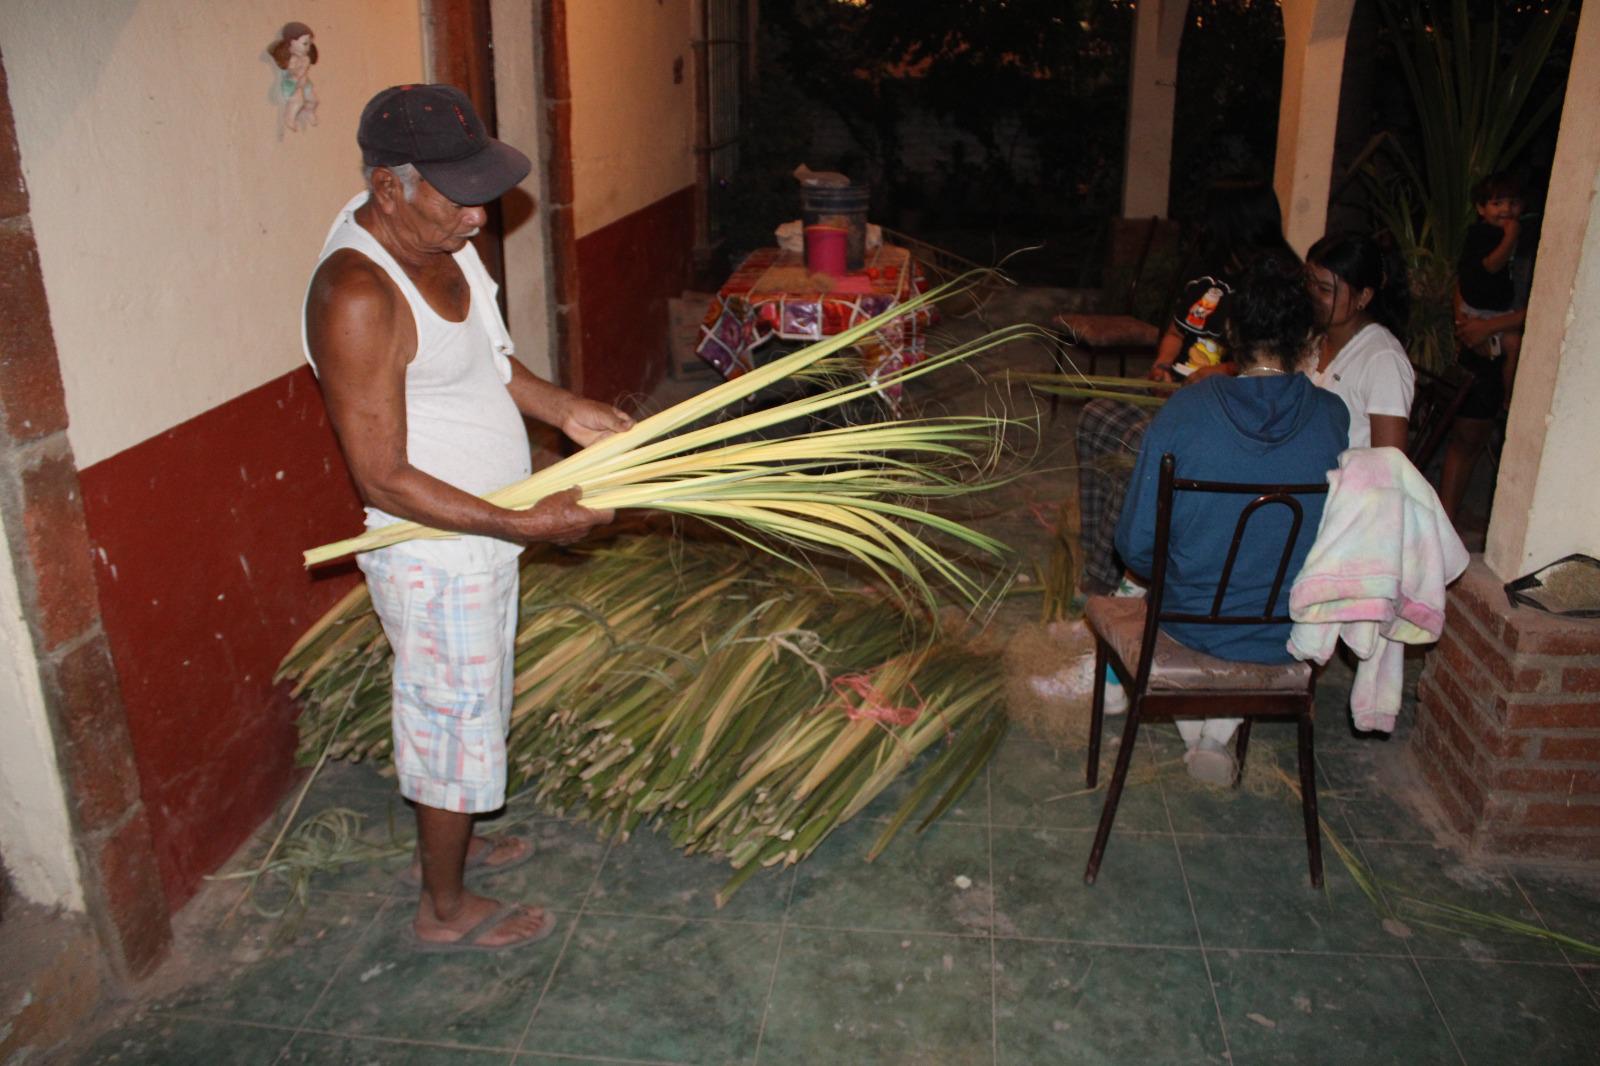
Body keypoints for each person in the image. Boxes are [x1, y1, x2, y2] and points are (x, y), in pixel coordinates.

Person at [303, 84, 634, 952]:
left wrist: (564, 409)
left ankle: (456, 844)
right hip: (438, 552)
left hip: (486, 533)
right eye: (457, 197)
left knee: (468, 708)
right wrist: (521, 525)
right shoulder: (358, 295)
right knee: (450, 723)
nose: (478, 217)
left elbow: (490, 361)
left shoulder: (443, 240)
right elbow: (383, 478)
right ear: (389, 188)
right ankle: (443, 910)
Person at [1113, 255, 1349, 785]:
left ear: (1231, 336)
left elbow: (1137, 546)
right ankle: (1214, 735)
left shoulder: (1185, 411)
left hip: (1188, 620)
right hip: (1290, 629)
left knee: (1178, 588)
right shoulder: (1334, 417)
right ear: (1308, 340)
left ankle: (1200, 729)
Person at [1076, 176, 1296, 597]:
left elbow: (1274, 359)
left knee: (1136, 444)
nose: (1203, 225)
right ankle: (1098, 553)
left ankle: (1116, 572)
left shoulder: (1274, 279)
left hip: (1226, 408)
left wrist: (1220, 373)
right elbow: (1177, 331)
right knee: (1095, 419)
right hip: (1178, 395)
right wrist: (1162, 367)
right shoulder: (1207, 271)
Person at [1440, 172, 1526, 526]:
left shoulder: (1527, 241)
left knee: (1474, 439)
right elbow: (1466, 277)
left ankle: (1451, 515)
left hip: (1497, 337)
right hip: (1479, 345)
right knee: (1466, 437)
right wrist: (1464, 320)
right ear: (1480, 208)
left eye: (1512, 202)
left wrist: (1486, 327)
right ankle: (1446, 518)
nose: (1505, 210)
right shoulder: (1484, 237)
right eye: (1497, 202)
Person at [1304, 233, 1415, 450]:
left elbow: (1388, 460)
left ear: (1363, 297)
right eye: (1308, 282)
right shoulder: (1313, 337)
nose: (1311, 295)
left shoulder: (1383, 361)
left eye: (1324, 289)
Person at [270, 22, 319, 133]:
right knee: (297, 101)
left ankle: (308, 111)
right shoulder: (292, 59)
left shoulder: (305, 58)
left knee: (314, 101)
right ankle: (290, 118)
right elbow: (292, 72)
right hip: (292, 84)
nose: (308, 47)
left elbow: (304, 69)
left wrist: (304, 67)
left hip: (305, 84)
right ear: (292, 42)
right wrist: (298, 74)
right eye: (305, 43)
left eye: (309, 44)